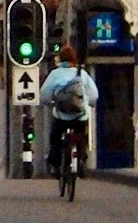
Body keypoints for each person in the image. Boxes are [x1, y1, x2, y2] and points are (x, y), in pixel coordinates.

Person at [38, 47, 99, 178]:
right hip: (80, 115)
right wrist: (90, 103)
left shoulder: (55, 74)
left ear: (60, 59)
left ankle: (55, 165)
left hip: (61, 115)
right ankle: (81, 158)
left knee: (55, 138)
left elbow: (44, 94)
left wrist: (47, 102)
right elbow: (93, 94)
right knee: (81, 135)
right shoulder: (82, 73)